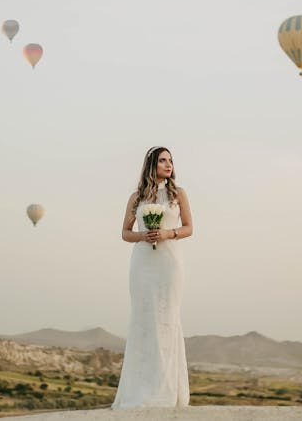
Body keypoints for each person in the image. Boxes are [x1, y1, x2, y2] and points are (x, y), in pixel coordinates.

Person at [112, 146, 194, 409]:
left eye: (170, 160)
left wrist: (167, 234)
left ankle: (167, 391)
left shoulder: (178, 194)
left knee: (168, 318)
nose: (168, 164)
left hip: (169, 263)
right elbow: (125, 233)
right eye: (162, 160)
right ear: (151, 164)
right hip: (143, 264)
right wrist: (144, 236)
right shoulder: (136, 197)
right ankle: (140, 391)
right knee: (144, 320)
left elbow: (189, 228)